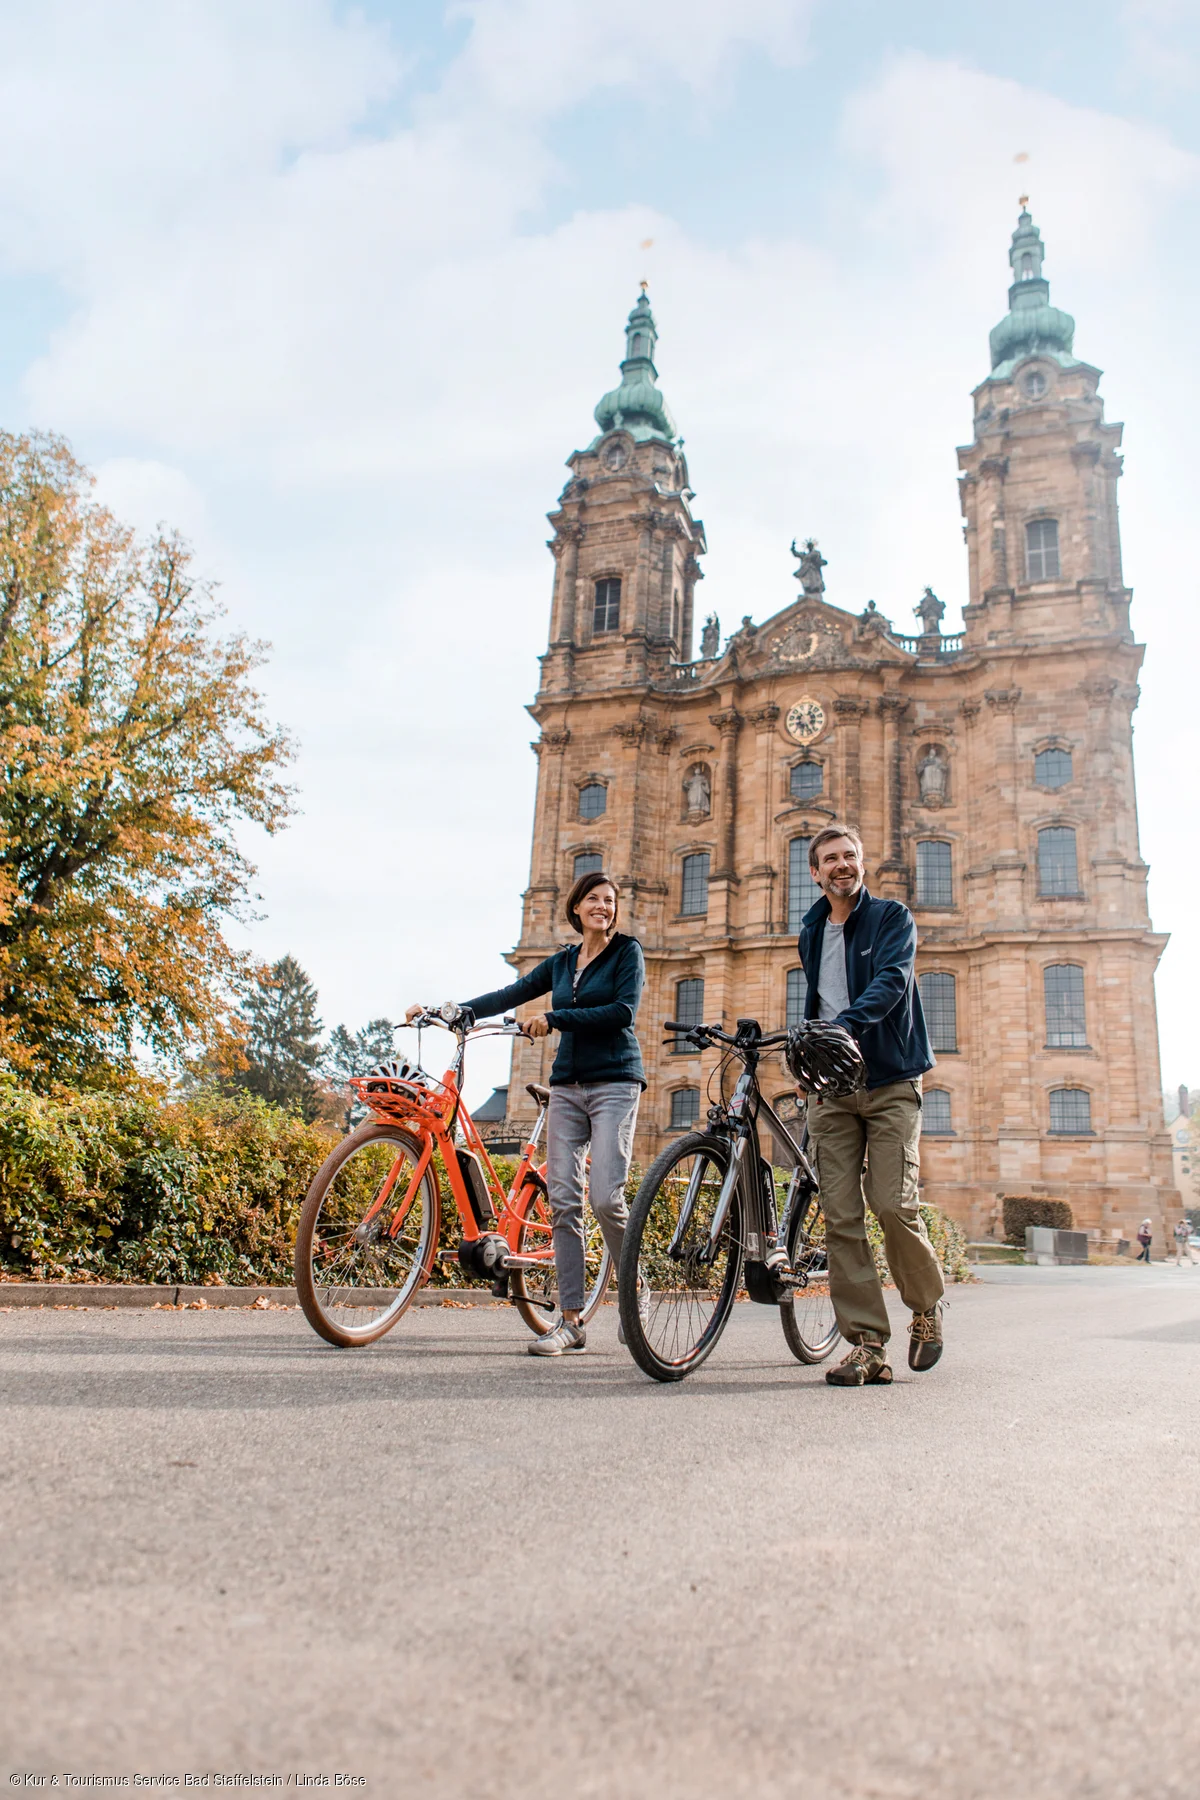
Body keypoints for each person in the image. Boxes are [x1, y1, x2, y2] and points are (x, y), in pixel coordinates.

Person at [407, 870, 646, 1358]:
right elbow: (508, 995)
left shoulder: (628, 952)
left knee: (604, 1196)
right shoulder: (561, 963)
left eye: (610, 900)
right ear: (576, 908)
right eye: (594, 899)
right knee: (563, 1201)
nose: (603, 906)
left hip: (615, 1083)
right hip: (567, 1087)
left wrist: (555, 1019)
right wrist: (452, 1010)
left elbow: (623, 1011)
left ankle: (634, 1285)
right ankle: (572, 1320)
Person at [795, 825, 945, 1387]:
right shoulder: (810, 928)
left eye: (850, 856)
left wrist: (843, 1028)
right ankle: (867, 1344)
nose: (841, 865)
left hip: (889, 1080)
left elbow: (891, 981)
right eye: (830, 859)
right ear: (815, 872)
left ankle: (925, 1309)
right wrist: (812, 1050)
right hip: (833, 1088)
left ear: (862, 865)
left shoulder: (891, 918)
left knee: (891, 1204)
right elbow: (817, 994)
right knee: (841, 1216)